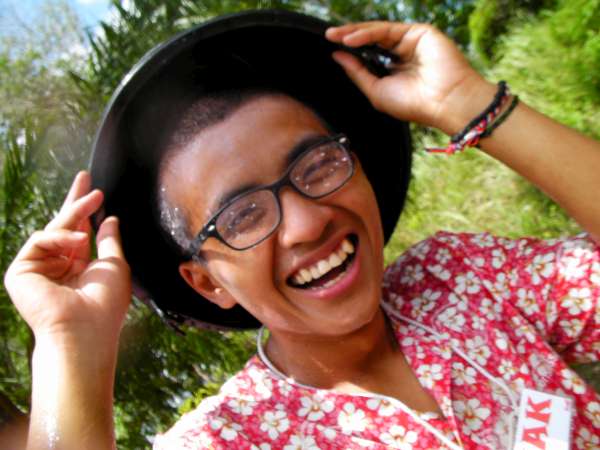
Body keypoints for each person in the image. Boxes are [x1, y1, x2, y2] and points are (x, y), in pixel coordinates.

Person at [4, 10, 600, 450]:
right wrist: (68, 347)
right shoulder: (232, 438)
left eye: (317, 166)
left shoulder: (458, 279)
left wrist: (471, 104)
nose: (309, 222)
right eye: (243, 215)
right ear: (208, 283)